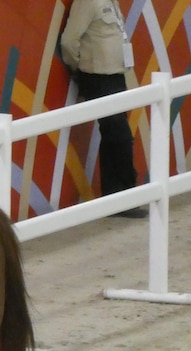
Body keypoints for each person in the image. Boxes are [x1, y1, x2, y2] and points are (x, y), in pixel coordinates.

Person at [60, 0, 146, 218]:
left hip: (116, 76)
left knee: (113, 137)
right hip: (99, 78)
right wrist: (81, 70)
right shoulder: (87, 2)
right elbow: (69, 41)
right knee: (120, 136)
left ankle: (114, 197)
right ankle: (125, 197)